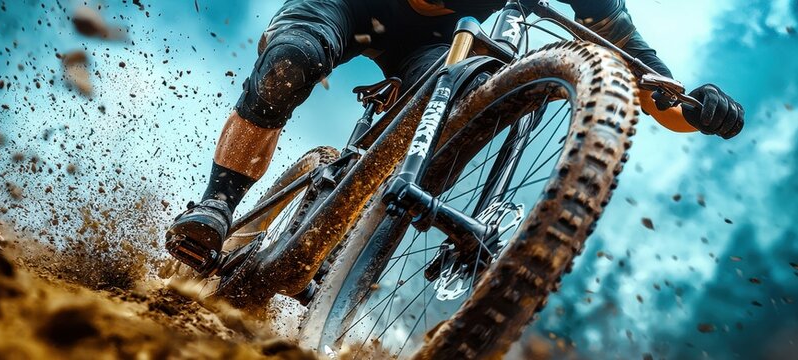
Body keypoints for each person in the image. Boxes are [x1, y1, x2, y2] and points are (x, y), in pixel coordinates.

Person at [165, 0, 746, 275]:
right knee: (290, 62)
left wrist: (697, 108)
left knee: (458, 100)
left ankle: (341, 239)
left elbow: (647, 78)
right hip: (343, 4)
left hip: (441, 41)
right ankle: (218, 205)